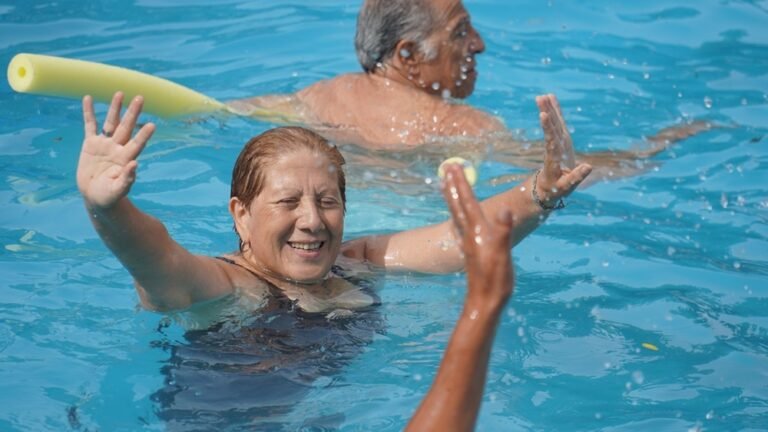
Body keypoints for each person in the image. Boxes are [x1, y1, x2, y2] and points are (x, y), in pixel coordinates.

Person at [79, 90, 588, 427]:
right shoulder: (231, 284)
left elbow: (461, 240)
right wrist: (108, 207)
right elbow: (156, 261)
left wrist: (541, 191)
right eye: (287, 202)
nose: (312, 221)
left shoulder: (352, 261)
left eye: (327, 201)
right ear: (241, 215)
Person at [228, 0, 711, 169]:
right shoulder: (461, 124)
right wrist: (654, 150)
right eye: (460, 32)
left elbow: (220, 113)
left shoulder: (316, 95)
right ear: (407, 57)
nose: (477, 45)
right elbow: (567, 172)